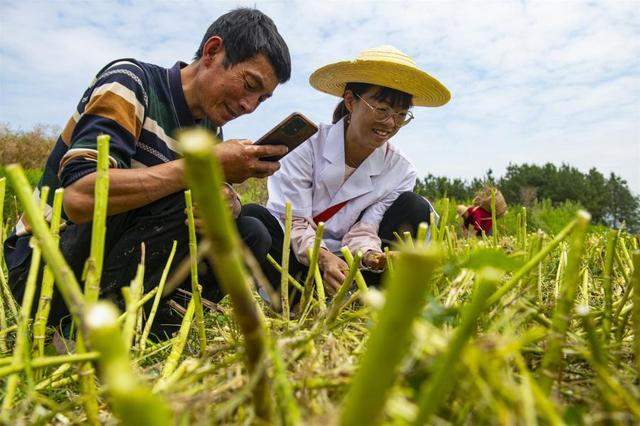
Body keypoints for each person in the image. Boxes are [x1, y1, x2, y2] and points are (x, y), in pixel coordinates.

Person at [3, 8, 291, 337]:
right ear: (212, 52)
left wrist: (226, 204)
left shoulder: (209, 130)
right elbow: (79, 197)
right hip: (45, 267)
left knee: (252, 229)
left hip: (121, 262)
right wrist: (202, 168)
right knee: (176, 198)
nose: (248, 105)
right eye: (248, 84)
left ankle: (152, 331)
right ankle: (83, 332)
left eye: (262, 99)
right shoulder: (131, 83)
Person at [242, 45, 450, 296]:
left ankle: (366, 297)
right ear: (351, 101)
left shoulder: (400, 170)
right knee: (253, 217)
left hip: (354, 268)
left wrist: (372, 258)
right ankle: (294, 300)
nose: (391, 123)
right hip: (298, 258)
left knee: (414, 206)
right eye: (382, 110)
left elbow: (366, 229)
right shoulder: (306, 145)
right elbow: (293, 222)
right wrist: (323, 258)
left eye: (401, 115)